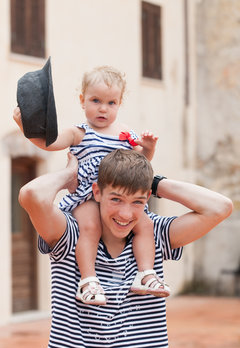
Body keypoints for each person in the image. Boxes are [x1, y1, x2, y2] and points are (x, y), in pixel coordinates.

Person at [16, 148, 232, 348]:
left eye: (137, 201)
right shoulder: (71, 234)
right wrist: (71, 175)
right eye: (116, 199)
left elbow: (220, 207)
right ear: (97, 192)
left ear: (148, 197)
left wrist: (153, 182)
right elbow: (31, 195)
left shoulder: (155, 235)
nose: (125, 214)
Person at [13, 65, 171, 306]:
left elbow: (140, 163)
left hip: (118, 197)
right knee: (89, 227)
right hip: (87, 195)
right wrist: (25, 128)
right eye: (96, 100)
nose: (103, 108)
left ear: (119, 104)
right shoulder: (79, 132)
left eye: (111, 103)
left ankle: (146, 274)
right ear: (82, 100)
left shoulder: (124, 133)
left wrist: (148, 147)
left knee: (146, 226)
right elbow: (50, 143)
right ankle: (88, 281)